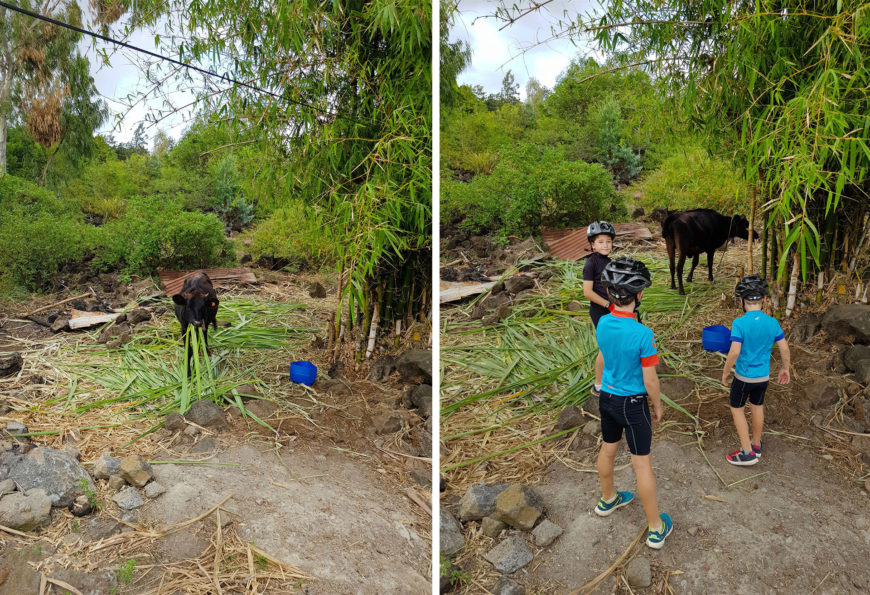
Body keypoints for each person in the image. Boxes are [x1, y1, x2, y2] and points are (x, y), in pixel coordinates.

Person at [593, 257, 673, 549]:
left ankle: (608, 499)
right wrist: (658, 405)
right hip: (633, 403)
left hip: (608, 399)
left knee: (608, 449)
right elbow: (650, 380)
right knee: (642, 465)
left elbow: (601, 357)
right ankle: (655, 527)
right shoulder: (642, 334)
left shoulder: (602, 322)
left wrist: (599, 382)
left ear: (611, 293)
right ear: (638, 295)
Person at [721, 275, 791, 466]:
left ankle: (746, 453)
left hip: (744, 377)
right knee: (757, 407)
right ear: (764, 300)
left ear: (742, 301)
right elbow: (784, 348)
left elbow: (734, 351)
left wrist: (726, 371)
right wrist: (785, 368)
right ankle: (756, 445)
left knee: (737, 410)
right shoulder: (773, 322)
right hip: (763, 377)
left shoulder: (739, 323)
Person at [583, 221, 616, 397]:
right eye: (601, 242)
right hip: (600, 311)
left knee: (615, 345)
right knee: (606, 348)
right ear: (593, 244)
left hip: (612, 309)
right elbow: (587, 292)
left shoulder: (610, 262)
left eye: (608, 241)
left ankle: (613, 376)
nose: (605, 245)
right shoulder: (591, 263)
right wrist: (607, 305)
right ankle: (598, 385)